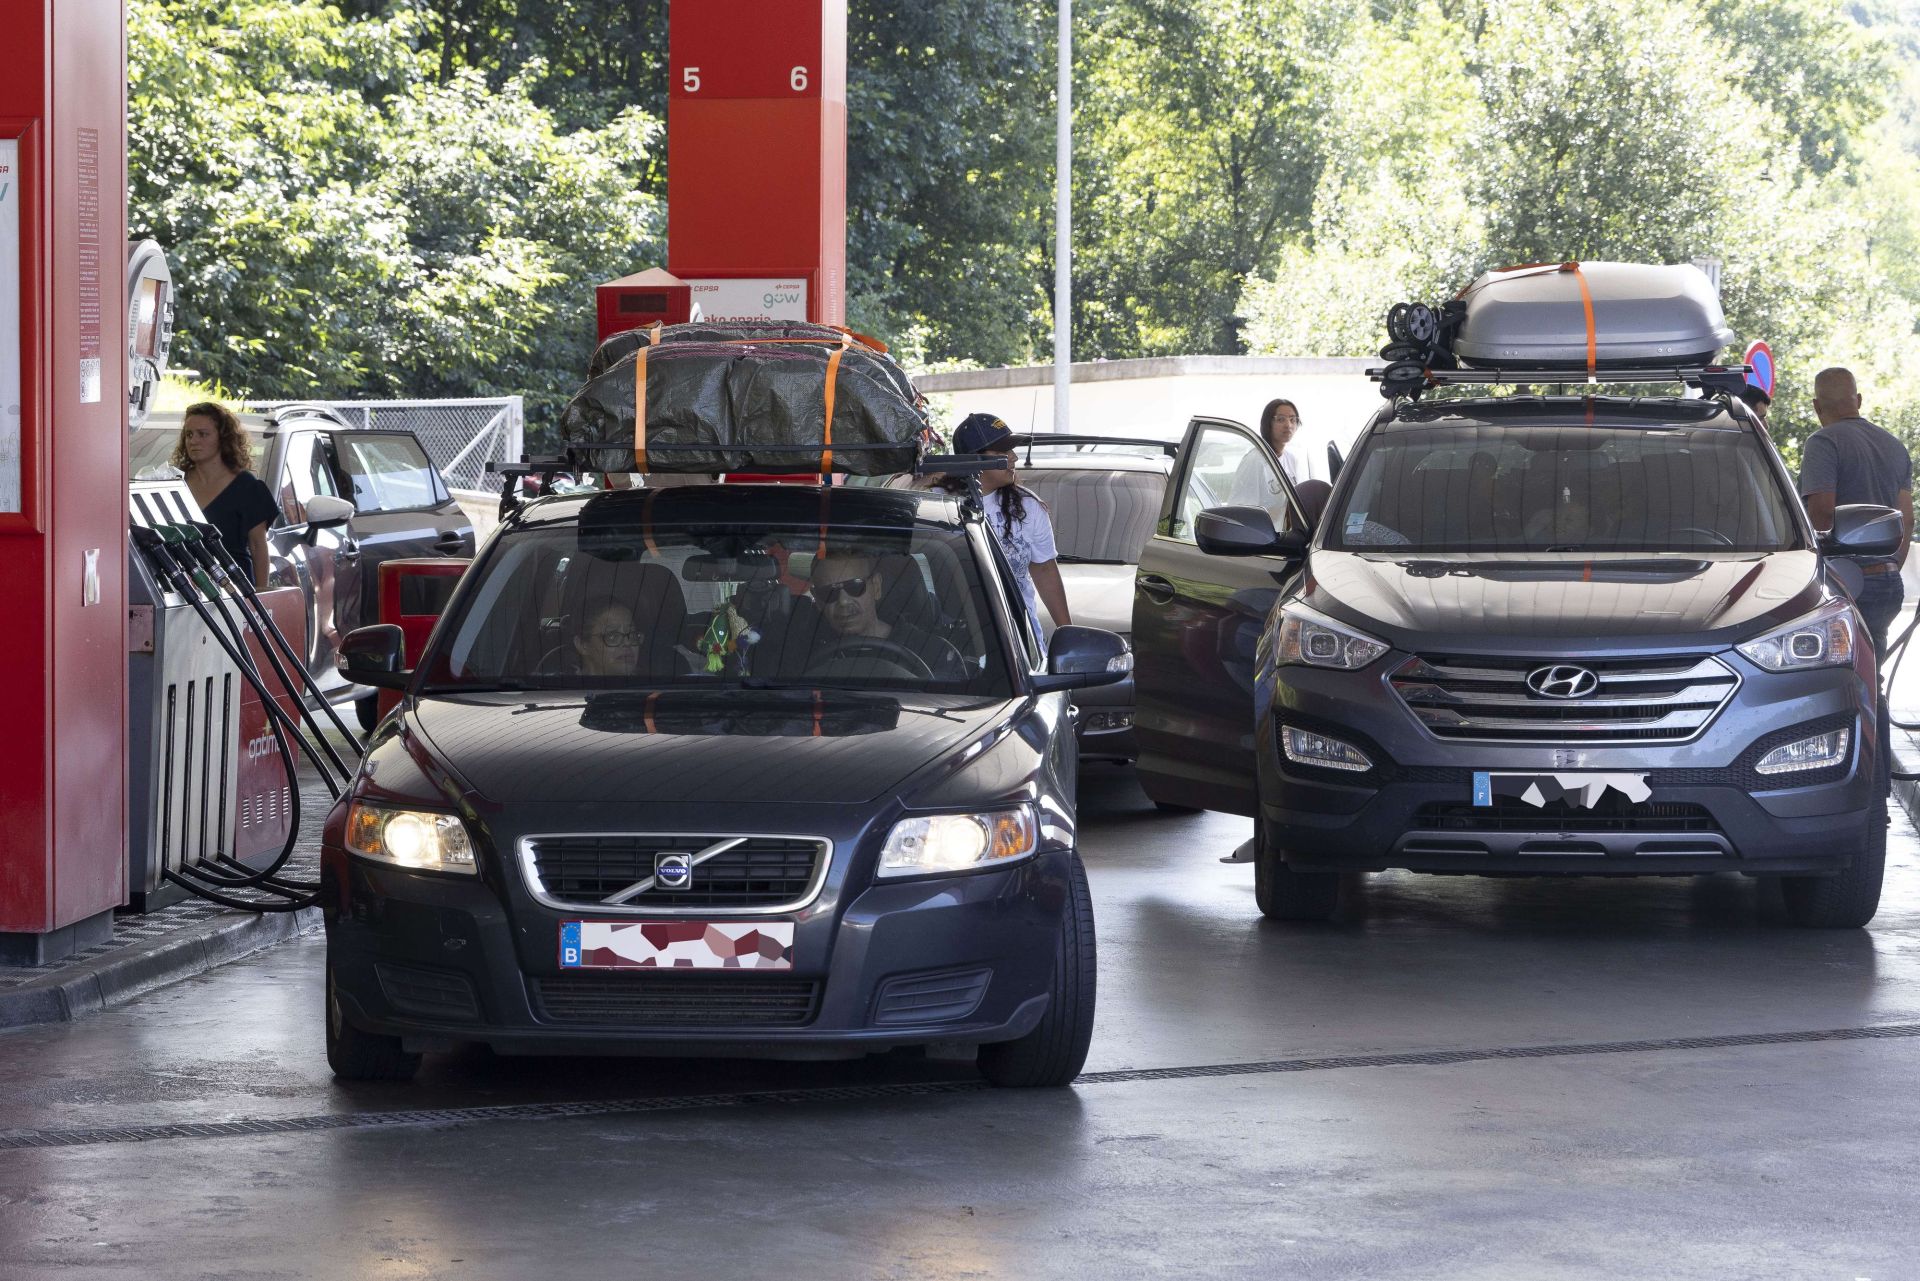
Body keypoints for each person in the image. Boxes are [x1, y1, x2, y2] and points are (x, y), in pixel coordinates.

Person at [1799, 367, 1913, 655]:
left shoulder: (1823, 442)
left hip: (1847, 582)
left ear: (1816, 405)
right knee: (1871, 675)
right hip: (1887, 581)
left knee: (1842, 678)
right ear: (1858, 400)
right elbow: (1906, 520)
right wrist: (1888, 567)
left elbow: (1822, 514)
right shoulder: (1894, 446)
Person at [946, 413, 1073, 634]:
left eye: (1011, 449)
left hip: (1020, 638)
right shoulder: (938, 505)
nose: (1013, 457)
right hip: (957, 636)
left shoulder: (1029, 507)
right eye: (1002, 452)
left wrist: (1068, 632)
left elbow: (1044, 569)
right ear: (974, 459)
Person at [808, 548, 967, 680]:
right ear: (818, 600)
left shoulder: (934, 653)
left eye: (855, 586)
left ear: (876, 587)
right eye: (828, 592)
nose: (843, 601)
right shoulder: (801, 656)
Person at [174, 401, 276, 589]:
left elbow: (258, 546)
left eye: (203, 434)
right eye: (189, 434)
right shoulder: (175, 484)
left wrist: (261, 596)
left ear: (222, 438)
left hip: (235, 589)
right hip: (184, 592)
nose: (193, 441)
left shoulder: (247, 487)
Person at [1229, 397, 1306, 521]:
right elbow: (1240, 513)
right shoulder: (1254, 461)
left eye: (1293, 420)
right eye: (1281, 419)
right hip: (1262, 536)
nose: (1288, 425)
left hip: (1288, 535)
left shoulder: (1292, 460)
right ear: (1267, 423)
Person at [572, 596, 642, 677]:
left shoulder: (652, 685)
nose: (628, 642)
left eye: (632, 635)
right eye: (612, 636)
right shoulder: (564, 687)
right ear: (582, 645)